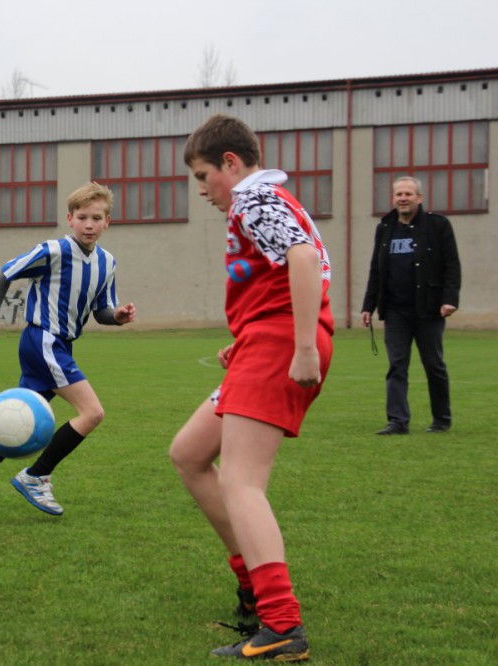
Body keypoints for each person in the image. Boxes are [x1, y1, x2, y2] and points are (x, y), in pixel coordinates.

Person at [171, 114, 333, 661]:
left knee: (242, 482)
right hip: (267, 341)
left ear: (231, 165)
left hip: (283, 344)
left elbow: (306, 261)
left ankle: (282, 623)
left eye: (202, 176)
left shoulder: (253, 200)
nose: (201, 190)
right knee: (190, 453)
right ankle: (250, 588)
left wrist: (303, 345)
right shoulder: (268, 200)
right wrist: (247, 341)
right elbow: (287, 270)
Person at [0, 181, 136, 519]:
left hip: (61, 346)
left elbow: (102, 311)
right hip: (43, 341)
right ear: (69, 219)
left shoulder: (107, 263)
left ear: (108, 222)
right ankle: (36, 475)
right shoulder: (52, 251)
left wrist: (117, 316)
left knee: (21, 424)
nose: (89, 224)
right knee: (93, 413)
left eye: (97, 218)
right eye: (83, 217)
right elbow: (6, 272)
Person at [361, 176, 461, 435]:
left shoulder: (438, 226)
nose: (403, 198)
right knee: (397, 365)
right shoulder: (385, 228)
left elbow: (451, 265)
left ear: (419, 198)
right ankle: (397, 421)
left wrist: (450, 299)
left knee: (434, 365)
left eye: (408, 194)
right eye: (398, 194)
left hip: (428, 309)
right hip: (395, 311)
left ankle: (441, 419)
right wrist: (368, 306)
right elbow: (376, 269)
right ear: (393, 199)